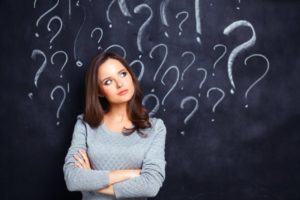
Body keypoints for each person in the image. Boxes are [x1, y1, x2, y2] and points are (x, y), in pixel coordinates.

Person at [63, 52, 167, 200]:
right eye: (108, 81)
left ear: (131, 76)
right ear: (99, 92)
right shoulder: (85, 124)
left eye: (123, 74)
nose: (120, 84)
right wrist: (131, 173)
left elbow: (151, 186)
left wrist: (91, 182)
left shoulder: (155, 127)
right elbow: (72, 179)